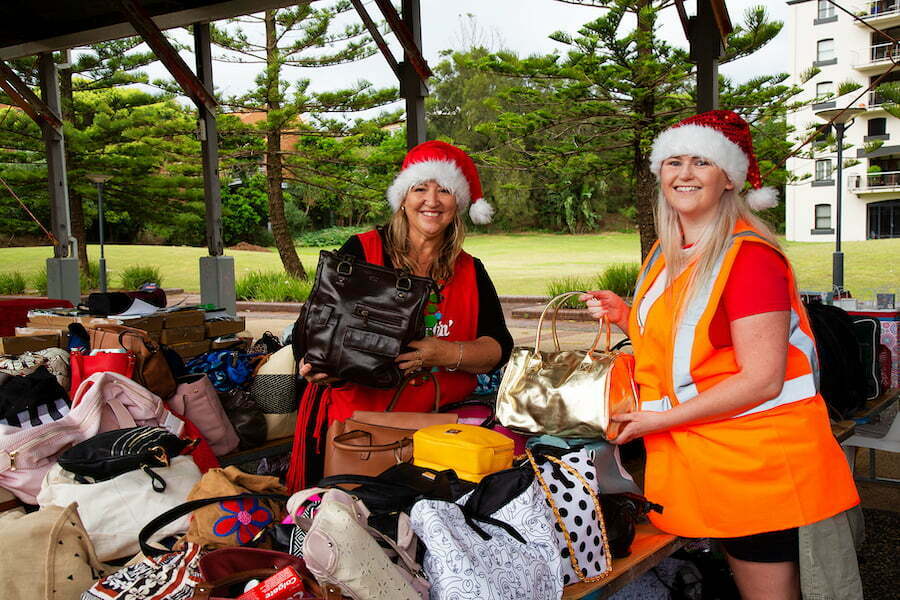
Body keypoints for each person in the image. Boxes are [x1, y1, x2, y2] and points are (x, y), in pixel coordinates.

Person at [581, 110, 861, 600]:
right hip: (707, 458)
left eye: (701, 162)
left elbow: (761, 379)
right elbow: (694, 344)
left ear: (728, 177)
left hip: (759, 463)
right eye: (673, 162)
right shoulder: (672, 252)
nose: (684, 174)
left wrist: (655, 421)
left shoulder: (749, 258)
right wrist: (629, 317)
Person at [286, 140, 514, 489]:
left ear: (459, 203)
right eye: (420, 188)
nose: (432, 201)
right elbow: (313, 324)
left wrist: (443, 353)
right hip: (359, 433)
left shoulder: (470, 270)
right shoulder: (362, 250)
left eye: (445, 191)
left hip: (440, 436)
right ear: (403, 198)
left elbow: (498, 348)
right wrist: (315, 366)